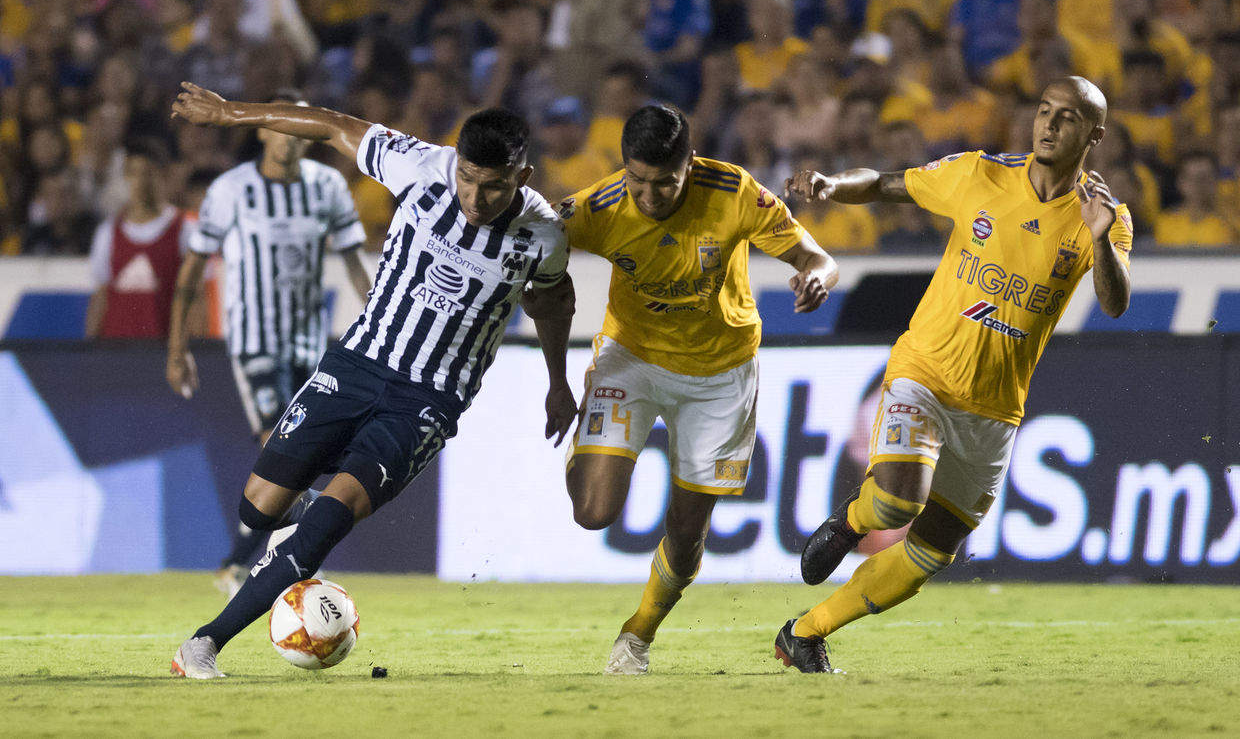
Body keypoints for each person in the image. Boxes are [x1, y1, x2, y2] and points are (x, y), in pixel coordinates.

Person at [166, 82, 576, 678]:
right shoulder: (421, 166)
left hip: (428, 401)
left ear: (522, 176)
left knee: (324, 527)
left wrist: (558, 381)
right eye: (467, 178)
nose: (475, 197)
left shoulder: (543, 234)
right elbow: (329, 124)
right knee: (258, 509)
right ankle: (301, 524)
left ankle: (203, 644)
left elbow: (555, 302)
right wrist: (232, 113)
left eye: (493, 186)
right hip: (357, 364)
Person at [776, 77, 1132, 672]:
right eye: (1044, 110)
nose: (1049, 125)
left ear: (1093, 136)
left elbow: (1115, 302)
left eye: (1067, 118)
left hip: (995, 408)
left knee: (931, 553)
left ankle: (804, 634)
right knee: (895, 504)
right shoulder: (979, 174)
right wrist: (834, 184)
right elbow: (887, 183)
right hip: (927, 372)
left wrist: (1100, 241)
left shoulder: (1104, 216)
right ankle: (851, 520)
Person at [556, 104, 838, 675]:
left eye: (665, 183)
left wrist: (816, 278)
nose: (649, 196)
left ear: (691, 163)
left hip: (720, 372)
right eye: (637, 181)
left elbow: (817, 256)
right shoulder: (596, 208)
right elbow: (523, 245)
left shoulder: (734, 192)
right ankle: (590, 437)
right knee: (592, 511)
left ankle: (637, 635)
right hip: (631, 357)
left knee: (686, 535)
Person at [166, 89, 372, 599]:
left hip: (311, 345)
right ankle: (283, 564)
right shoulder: (231, 190)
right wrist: (177, 347)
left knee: (302, 459)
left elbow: (354, 263)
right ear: (263, 130)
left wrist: (379, 321)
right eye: (281, 125)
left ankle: (239, 562)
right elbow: (192, 270)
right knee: (280, 449)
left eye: (299, 126)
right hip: (254, 340)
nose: (289, 136)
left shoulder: (327, 186)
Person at [86, 141, 193, 339]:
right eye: (134, 173)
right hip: (116, 348)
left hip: (163, 347)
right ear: (126, 177)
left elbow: (196, 297)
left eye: (149, 173)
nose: (141, 182)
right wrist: (89, 348)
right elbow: (101, 296)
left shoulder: (185, 229)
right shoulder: (107, 232)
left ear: (164, 176)